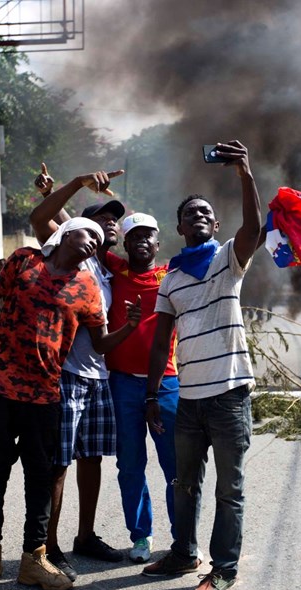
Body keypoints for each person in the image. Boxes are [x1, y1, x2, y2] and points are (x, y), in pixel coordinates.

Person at [0, 216, 141, 590]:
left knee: (40, 477)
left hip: (45, 395)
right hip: (1, 389)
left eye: (99, 238)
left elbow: (101, 344)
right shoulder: (23, 261)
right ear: (66, 232)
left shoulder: (88, 286)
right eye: (88, 232)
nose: (94, 241)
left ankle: (33, 559)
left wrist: (129, 327)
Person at [141, 140, 261, 590]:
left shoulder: (229, 258)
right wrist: (152, 397)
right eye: (189, 213)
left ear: (214, 224)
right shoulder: (169, 278)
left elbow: (254, 224)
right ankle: (183, 552)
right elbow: (159, 342)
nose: (198, 217)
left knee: (229, 490)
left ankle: (223, 568)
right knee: (184, 482)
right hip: (188, 399)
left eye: (205, 213)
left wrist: (244, 173)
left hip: (229, 395)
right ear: (179, 226)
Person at [30, 163, 129, 581]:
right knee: (60, 462)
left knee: (92, 457)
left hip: (98, 376)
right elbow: (44, 221)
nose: (111, 223)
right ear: (78, 230)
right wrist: (67, 191)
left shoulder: (106, 269)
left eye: (116, 220)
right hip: (66, 373)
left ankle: (84, 535)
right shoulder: (72, 253)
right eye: (102, 218)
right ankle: (47, 544)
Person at [104, 212, 179, 564]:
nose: (141, 242)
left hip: (165, 384)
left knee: (175, 465)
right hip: (122, 384)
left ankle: (183, 539)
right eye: (134, 236)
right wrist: (50, 197)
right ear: (125, 243)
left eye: (148, 236)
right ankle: (141, 537)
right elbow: (70, 231)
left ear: (158, 243)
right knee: (130, 465)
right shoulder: (115, 269)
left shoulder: (171, 275)